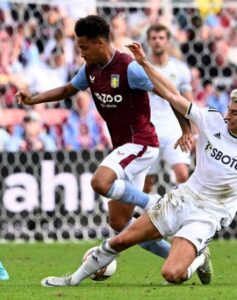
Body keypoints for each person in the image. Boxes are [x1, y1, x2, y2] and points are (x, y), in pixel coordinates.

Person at [41, 43, 237, 287]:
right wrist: (144, 63)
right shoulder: (213, 120)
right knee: (121, 239)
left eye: (235, 113)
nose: (228, 115)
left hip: (210, 213)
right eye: (230, 109)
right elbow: (173, 96)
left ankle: (197, 257)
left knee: (172, 274)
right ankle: (72, 280)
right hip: (184, 198)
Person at [16, 16, 192, 260]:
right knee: (120, 223)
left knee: (100, 182)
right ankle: (181, 256)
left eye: (84, 47)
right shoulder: (90, 70)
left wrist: (186, 129)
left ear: (100, 43)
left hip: (141, 142)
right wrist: (33, 99)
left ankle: (154, 202)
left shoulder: (129, 68)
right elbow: (68, 89)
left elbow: (170, 94)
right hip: (125, 147)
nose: (81, 53)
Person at [144, 24, 192, 194]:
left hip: (174, 130)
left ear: (168, 41)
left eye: (161, 38)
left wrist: (191, 130)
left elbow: (188, 101)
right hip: (149, 131)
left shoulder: (180, 69)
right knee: (147, 182)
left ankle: (181, 214)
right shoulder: (142, 68)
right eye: (154, 38)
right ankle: (146, 216)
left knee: (182, 174)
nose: (157, 42)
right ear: (148, 41)